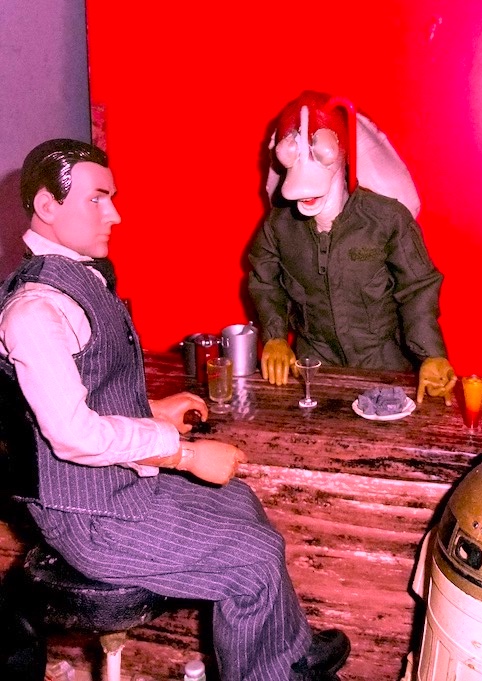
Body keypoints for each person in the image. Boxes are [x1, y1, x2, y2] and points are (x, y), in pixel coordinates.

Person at [0, 139, 350, 681]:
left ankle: (285, 653)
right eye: (97, 199)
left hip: (114, 487)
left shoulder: (72, 280)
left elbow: (75, 393)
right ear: (47, 206)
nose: (114, 214)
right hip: (89, 518)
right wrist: (183, 454)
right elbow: (71, 434)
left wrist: (153, 408)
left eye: (111, 197)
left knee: (238, 499)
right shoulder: (35, 310)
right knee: (254, 558)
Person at [248, 91, 456, 405]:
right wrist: (275, 336)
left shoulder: (386, 219)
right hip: (314, 367)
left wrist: (431, 354)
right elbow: (264, 281)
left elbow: (417, 287)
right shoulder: (280, 225)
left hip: (384, 365)